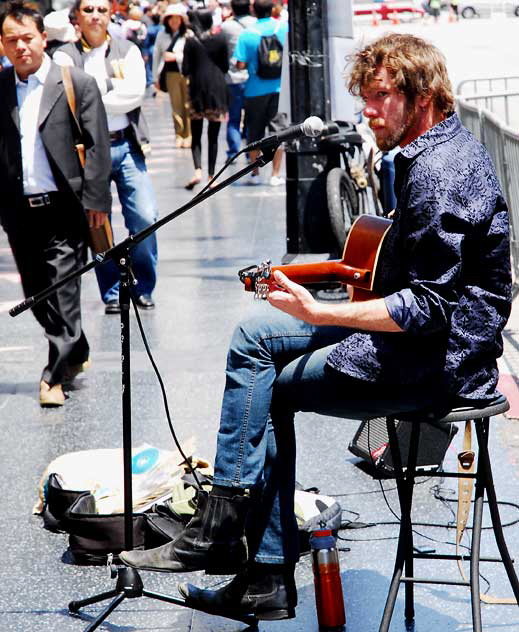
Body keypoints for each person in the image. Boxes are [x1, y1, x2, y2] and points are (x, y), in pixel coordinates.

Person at [119, 33, 512, 621]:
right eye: (365, 98)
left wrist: (322, 311)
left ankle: (258, 564)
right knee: (255, 338)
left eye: (380, 97)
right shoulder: (428, 152)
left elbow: (428, 309)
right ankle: (229, 526)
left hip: (441, 364)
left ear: (424, 96)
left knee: (269, 389)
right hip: (421, 344)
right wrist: (312, 287)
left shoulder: (441, 173)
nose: (368, 112)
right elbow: (397, 274)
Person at [0, 1, 111, 407]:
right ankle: (75, 347)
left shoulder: (75, 83)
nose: (21, 47)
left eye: (27, 38)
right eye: (11, 40)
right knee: (36, 291)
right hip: (18, 209)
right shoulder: (1, 87)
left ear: (43, 38)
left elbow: (99, 145)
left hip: (65, 207)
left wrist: (97, 199)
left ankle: (53, 376)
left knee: (63, 290)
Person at [53, 0, 159, 314]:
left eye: (101, 9)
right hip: (86, 150)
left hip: (125, 144)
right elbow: (72, 101)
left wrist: (94, 91)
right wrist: (112, 89)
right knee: (97, 224)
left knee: (144, 216)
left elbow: (135, 93)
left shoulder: (128, 50)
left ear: (110, 15)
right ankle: (112, 291)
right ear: (77, 17)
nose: (95, 16)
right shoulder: (63, 55)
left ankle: (142, 286)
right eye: (88, 10)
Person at [234, 0, 288, 186]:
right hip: (279, 88)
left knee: (254, 132)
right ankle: (275, 175)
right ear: (272, 10)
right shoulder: (284, 28)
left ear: (253, 11)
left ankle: (255, 173)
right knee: (279, 132)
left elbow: (239, 63)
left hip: (254, 90)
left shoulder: (247, 34)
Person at [181, 9, 228, 189]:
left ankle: (198, 170)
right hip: (217, 89)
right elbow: (224, 65)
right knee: (214, 136)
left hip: (196, 90)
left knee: (196, 133)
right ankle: (212, 176)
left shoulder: (191, 41)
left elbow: (185, 69)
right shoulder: (221, 38)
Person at [152, 3, 192, 149]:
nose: (174, 21)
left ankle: (188, 135)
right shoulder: (162, 34)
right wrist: (155, 77)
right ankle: (179, 134)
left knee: (188, 105)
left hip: (186, 74)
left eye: (177, 18)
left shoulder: (188, 34)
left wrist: (176, 57)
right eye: (171, 18)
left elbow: (192, 55)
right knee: (176, 106)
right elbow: (156, 55)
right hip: (170, 74)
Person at [220, 0, 256, 158]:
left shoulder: (225, 27)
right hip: (253, 77)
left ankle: (233, 152)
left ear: (232, 9)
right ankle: (251, 152)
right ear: (249, 7)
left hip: (232, 77)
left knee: (233, 118)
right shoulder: (255, 24)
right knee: (250, 118)